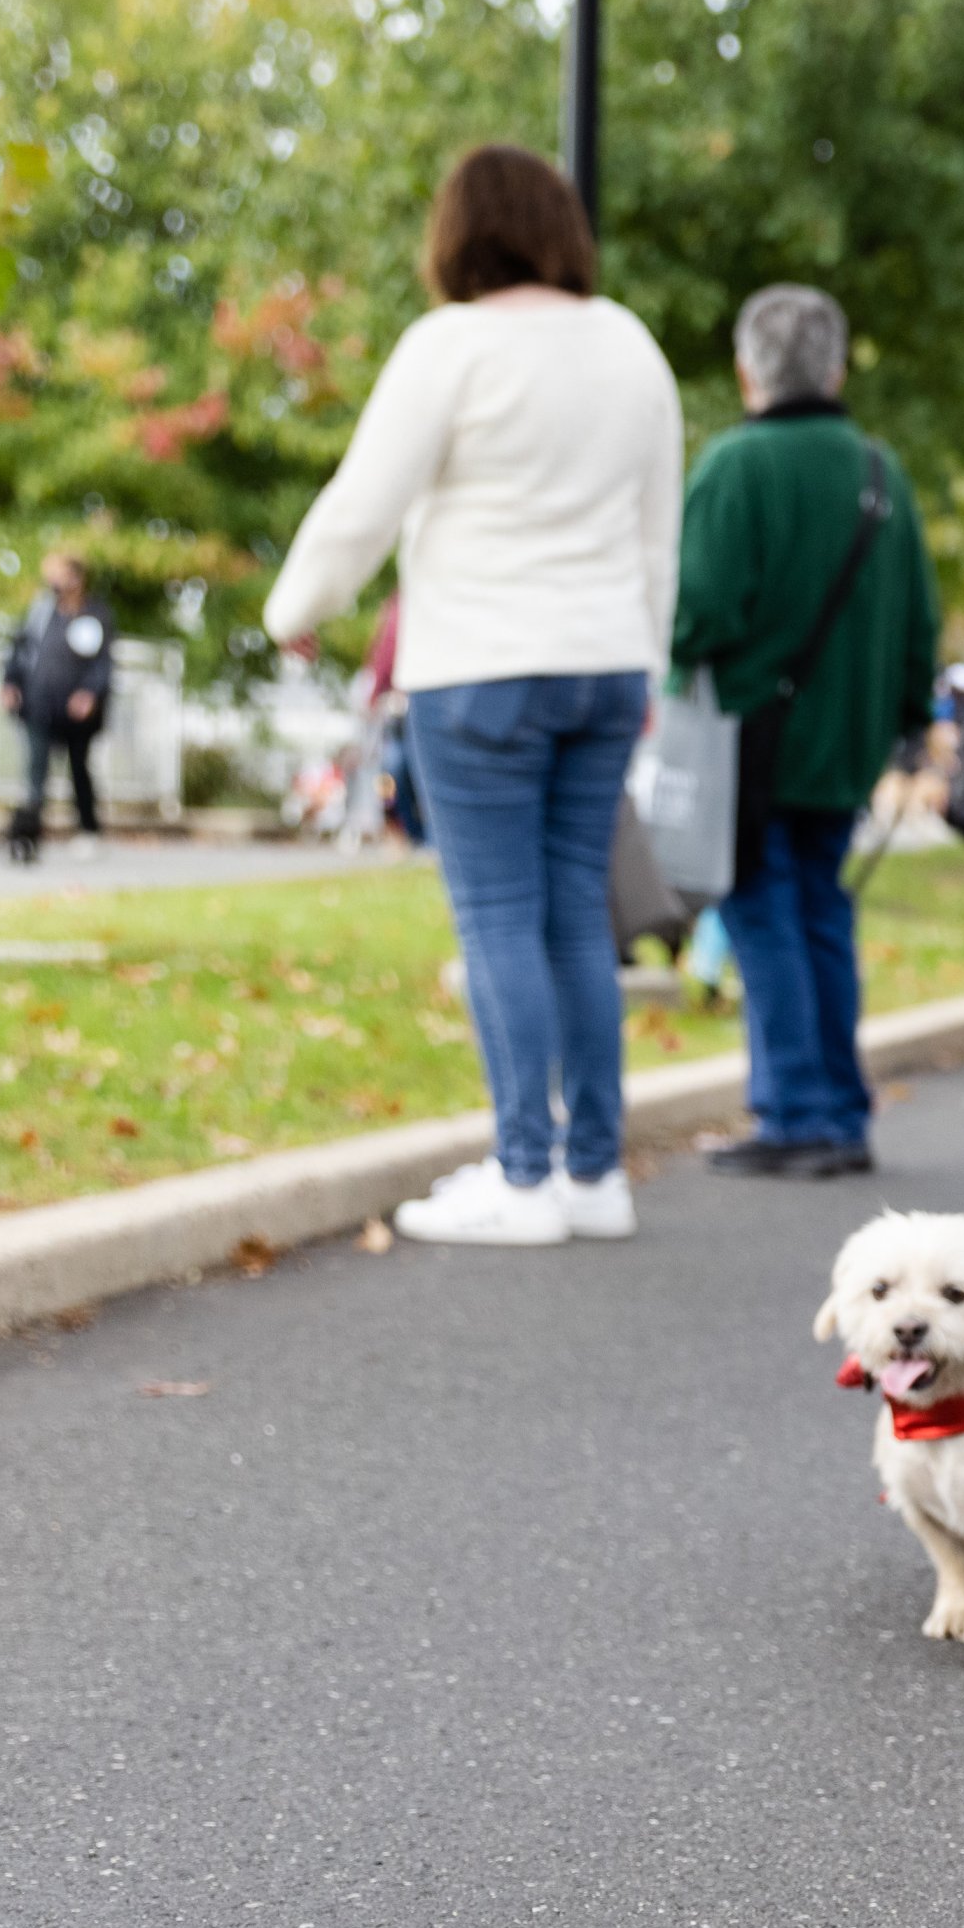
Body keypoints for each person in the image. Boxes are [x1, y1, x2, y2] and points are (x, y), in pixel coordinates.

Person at [265, 145, 683, 1245]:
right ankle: (595, 1174)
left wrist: (293, 606)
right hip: (602, 662)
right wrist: (643, 658)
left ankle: (522, 1174)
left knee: (498, 916)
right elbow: (657, 535)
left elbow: (365, 502)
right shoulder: (632, 346)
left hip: (482, 665)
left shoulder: (450, 346)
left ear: (459, 234)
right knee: (578, 920)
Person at [673, 283, 942, 1182]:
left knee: (761, 914)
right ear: (833, 367)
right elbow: (920, 619)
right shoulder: (881, 471)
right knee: (821, 911)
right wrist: (907, 721)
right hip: (848, 743)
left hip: (750, 739)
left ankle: (796, 1113)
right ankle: (841, 1109)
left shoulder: (732, 467)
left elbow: (697, 614)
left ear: (748, 369)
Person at [0, 549, 115, 864]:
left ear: (76, 578)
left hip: (78, 712)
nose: (52, 581)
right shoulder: (40, 612)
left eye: (59, 574)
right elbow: (20, 649)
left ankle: (88, 830)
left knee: (79, 769)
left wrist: (90, 693)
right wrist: (10, 683)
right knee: (36, 770)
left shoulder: (96, 614)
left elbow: (103, 662)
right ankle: (30, 835)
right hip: (39, 704)